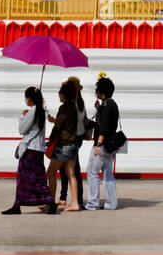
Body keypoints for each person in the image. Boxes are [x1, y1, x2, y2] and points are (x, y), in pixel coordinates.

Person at [2, 86, 57, 215]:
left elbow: (21, 130)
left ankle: (20, 204)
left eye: (26, 98)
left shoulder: (33, 111)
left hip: (30, 150)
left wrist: (22, 116)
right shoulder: (41, 110)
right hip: (38, 150)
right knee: (38, 178)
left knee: (23, 178)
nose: (25, 100)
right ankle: (47, 202)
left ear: (30, 99)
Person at [85, 74, 120, 210]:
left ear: (102, 93)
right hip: (111, 146)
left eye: (97, 91)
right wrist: (98, 109)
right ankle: (111, 203)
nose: (96, 93)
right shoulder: (111, 104)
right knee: (108, 174)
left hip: (103, 145)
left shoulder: (107, 106)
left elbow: (104, 128)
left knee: (92, 172)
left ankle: (92, 203)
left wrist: (98, 145)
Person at [46, 80, 80, 211]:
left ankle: (51, 203)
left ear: (64, 95)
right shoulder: (74, 107)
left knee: (50, 173)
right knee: (71, 174)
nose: (58, 95)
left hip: (63, 146)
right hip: (72, 145)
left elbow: (58, 127)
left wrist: (50, 139)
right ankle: (75, 202)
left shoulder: (64, 108)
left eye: (59, 93)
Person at [59, 76, 87, 207]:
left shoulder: (72, 104)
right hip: (79, 137)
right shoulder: (81, 102)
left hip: (71, 138)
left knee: (69, 169)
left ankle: (69, 198)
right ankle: (76, 199)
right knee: (73, 169)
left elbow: (68, 123)